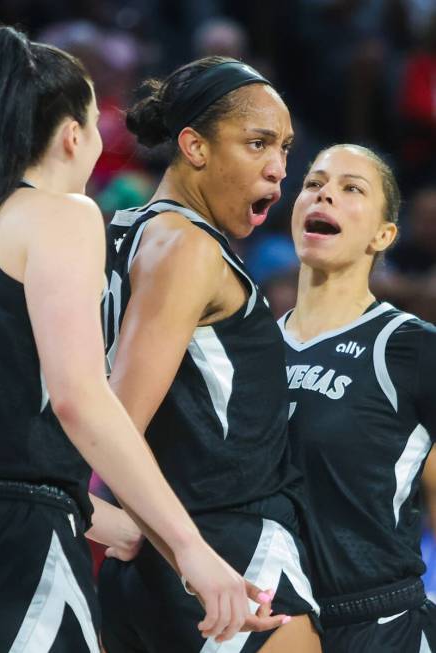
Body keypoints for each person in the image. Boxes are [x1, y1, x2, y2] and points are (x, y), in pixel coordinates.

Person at [0, 27, 278, 653]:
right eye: (96, 125)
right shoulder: (63, 214)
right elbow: (80, 399)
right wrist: (191, 549)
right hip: (11, 556)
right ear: (71, 134)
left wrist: (94, 513)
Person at [99, 56, 321, 653]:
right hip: (225, 554)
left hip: (152, 568)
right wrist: (96, 508)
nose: (279, 171)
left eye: (284, 148)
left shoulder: (123, 234)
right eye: (257, 143)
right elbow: (112, 423)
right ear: (194, 146)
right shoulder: (186, 247)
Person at [278, 143, 436, 652]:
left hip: (379, 623)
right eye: (314, 183)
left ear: (383, 235)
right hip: (270, 622)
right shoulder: (249, 347)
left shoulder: (410, 346)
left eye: (352, 189)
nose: (325, 194)